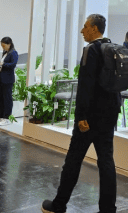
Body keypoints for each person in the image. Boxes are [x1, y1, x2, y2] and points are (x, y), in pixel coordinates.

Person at [42, 14, 121, 213]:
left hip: (90, 117)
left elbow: (86, 86)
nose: (81, 31)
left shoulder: (91, 50)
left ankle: (59, 205)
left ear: (94, 28)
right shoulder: (112, 48)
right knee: (106, 162)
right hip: (109, 114)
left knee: (73, 160)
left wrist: (81, 116)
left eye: (85, 27)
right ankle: (108, 209)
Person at [0, 37, 18, 127]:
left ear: (9, 44)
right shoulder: (5, 53)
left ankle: (7, 117)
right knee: (1, 98)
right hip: (1, 78)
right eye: (2, 46)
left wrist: (3, 64)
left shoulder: (13, 53)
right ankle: (0, 116)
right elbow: (2, 67)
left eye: (4, 45)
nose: (3, 47)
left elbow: (13, 65)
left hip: (8, 79)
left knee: (7, 98)